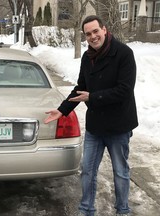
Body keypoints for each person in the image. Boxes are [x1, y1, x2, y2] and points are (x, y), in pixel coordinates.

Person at [44, 15, 138, 216]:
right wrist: (62, 110)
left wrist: (93, 97)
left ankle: (123, 210)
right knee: (87, 171)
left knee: (121, 172)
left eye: (96, 31)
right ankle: (86, 210)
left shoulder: (124, 53)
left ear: (104, 29)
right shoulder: (88, 58)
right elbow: (81, 88)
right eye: (88, 34)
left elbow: (124, 90)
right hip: (96, 127)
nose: (93, 36)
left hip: (119, 126)